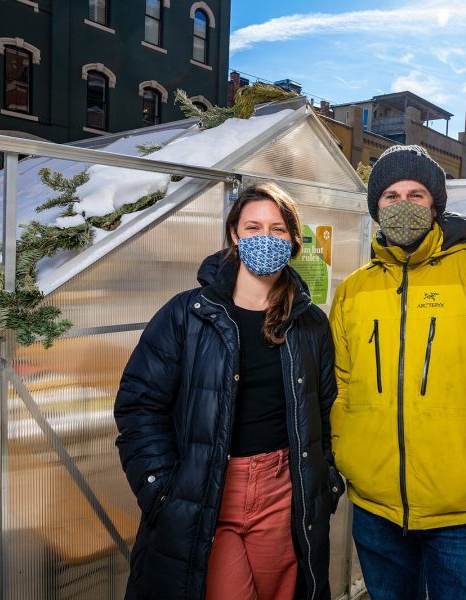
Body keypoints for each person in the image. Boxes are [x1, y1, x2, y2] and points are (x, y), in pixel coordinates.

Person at [329, 145, 466, 600]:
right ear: (375, 207)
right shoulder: (353, 290)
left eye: (416, 194)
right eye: (390, 196)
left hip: (461, 513)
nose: (403, 204)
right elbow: (340, 383)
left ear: (435, 205)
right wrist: (348, 452)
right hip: (374, 507)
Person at [115, 182, 344, 600]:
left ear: (294, 240)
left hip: (282, 488)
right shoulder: (188, 314)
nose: (265, 237)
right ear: (235, 235)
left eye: (278, 229)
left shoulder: (311, 323)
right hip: (207, 487)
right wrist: (160, 487)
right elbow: (139, 405)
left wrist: (324, 480)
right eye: (253, 227)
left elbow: (327, 410)